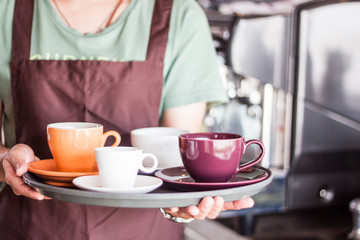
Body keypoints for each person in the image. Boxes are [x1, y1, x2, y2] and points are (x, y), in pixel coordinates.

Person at [0, 0, 254, 239]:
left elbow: (176, 155)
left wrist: (182, 203)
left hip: (146, 231)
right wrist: (7, 162)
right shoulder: (6, 11)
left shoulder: (179, 16)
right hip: (29, 229)